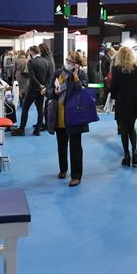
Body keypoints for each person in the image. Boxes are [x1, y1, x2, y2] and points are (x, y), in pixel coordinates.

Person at [47, 51, 90, 187]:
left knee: (75, 146)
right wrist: (54, 92)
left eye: (71, 61)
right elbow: (48, 91)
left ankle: (76, 176)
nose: (67, 63)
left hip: (75, 115)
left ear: (77, 64)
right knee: (61, 144)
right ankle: (63, 169)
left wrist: (76, 77)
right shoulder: (58, 73)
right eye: (67, 60)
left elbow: (82, 91)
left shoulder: (81, 74)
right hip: (59, 115)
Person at [109, 46, 137, 167]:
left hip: (122, 100)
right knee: (131, 128)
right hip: (135, 100)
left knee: (124, 129)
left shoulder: (116, 69)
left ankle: (126, 155)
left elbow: (113, 87)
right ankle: (135, 152)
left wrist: (114, 96)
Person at [12, 45, 52, 136]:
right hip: (42, 90)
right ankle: (37, 130)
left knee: (25, 108)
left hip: (33, 89)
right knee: (40, 109)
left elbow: (32, 76)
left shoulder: (31, 61)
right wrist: (44, 87)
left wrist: (40, 86)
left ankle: (21, 129)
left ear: (32, 52)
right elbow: (50, 76)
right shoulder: (46, 62)